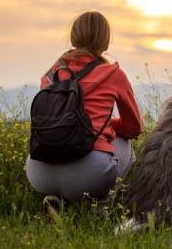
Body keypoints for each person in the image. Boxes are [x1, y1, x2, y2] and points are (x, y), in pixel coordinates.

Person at [26, 11, 143, 213]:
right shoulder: (113, 74)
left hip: (38, 170)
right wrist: (110, 126)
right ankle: (99, 208)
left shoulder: (49, 75)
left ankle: (57, 201)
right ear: (105, 41)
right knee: (125, 145)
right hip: (89, 173)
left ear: (74, 36)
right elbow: (134, 128)